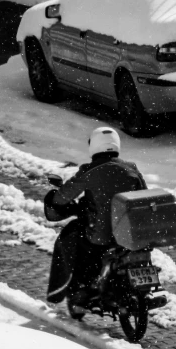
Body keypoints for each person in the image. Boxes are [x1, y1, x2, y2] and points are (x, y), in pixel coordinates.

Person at [44, 126, 147, 316]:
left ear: (94, 146)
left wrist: (54, 197)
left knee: (77, 243)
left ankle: (82, 290)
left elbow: (62, 197)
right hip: (129, 234)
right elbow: (144, 195)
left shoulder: (90, 171)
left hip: (102, 234)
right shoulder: (131, 169)